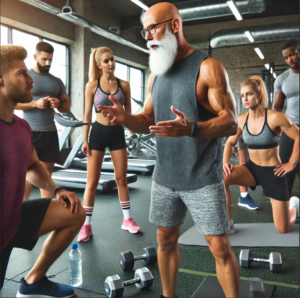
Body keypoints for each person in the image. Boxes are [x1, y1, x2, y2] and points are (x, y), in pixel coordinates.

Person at [97, 3, 240, 298]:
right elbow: (147, 119)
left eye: (153, 27)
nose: (148, 35)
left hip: (202, 176)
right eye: (145, 30)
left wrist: (192, 129)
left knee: (220, 247)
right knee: (164, 241)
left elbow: (231, 121)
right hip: (164, 177)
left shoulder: (207, 67)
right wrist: (125, 119)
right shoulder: (157, 73)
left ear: (174, 26)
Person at [0, 45, 85, 297]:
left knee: (72, 211)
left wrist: (57, 189)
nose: (31, 79)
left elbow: (33, 165)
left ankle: (34, 281)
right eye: (22, 74)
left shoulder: (21, 127)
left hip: (13, 219)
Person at [77, 47, 141, 242]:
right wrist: (85, 139)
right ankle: (86, 225)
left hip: (117, 134)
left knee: (121, 179)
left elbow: (129, 114)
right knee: (92, 182)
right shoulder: (92, 86)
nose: (110, 63)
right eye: (105, 61)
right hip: (98, 133)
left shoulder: (125, 85)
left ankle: (127, 220)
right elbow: (87, 115)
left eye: (112, 59)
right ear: (99, 65)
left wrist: (133, 130)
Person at [223, 75, 299, 235]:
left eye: (249, 94)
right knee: (224, 177)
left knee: (282, 228)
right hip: (252, 169)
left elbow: (298, 136)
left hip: (274, 173)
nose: (245, 98)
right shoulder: (242, 120)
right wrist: (225, 162)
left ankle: (294, 206)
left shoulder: (275, 117)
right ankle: (227, 224)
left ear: (259, 95)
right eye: (242, 95)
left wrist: (291, 163)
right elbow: (229, 143)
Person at [15, 41, 71, 200]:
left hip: (49, 132)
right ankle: (21, 213)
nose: (48, 63)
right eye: (44, 59)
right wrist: (34, 103)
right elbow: (13, 103)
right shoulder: (26, 77)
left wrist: (59, 104)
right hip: (29, 131)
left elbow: (66, 106)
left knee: (46, 176)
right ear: (35, 57)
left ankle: (45, 211)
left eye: (50, 60)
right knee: (26, 174)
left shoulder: (56, 81)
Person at [273, 39, 299, 198]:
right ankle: (286, 208)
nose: (290, 59)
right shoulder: (282, 79)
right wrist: (282, 126)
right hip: (291, 129)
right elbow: (277, 107)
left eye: (293, 54)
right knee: (284, 172)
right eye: (286, 57)